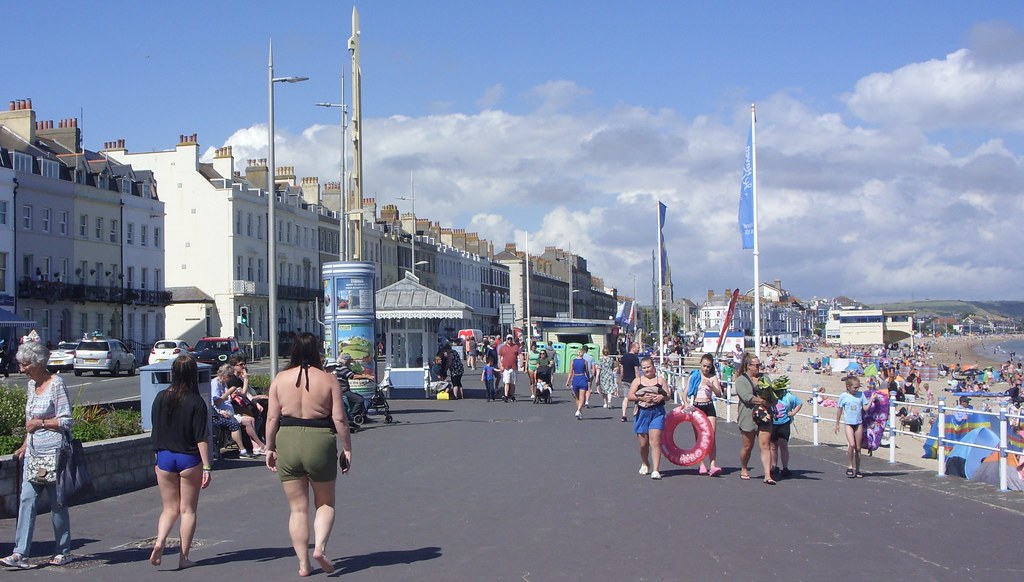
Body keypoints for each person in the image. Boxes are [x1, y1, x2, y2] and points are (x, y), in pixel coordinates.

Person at [264, 332, 352, 577]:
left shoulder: (280, 379)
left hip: (287, 439)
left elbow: (271, 418)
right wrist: (347, 448)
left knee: (297, 509)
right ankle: (320, 548)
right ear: (316, 352)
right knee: (325, 502)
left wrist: (269, 447)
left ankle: (303, 564)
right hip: (319, 439)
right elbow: (339, 419)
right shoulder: (328, 380)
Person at [2, 335, 74, 569]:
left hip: (54, 453)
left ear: (38, 363)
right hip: (34, 453)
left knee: (57, 504)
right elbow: (29, 423)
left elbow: (66, 421)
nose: (21, 369)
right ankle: (20, 553)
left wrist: (41, 423)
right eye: (21, 364)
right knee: (26, 501)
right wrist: (25, 445)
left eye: (25, 365)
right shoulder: (31, 386)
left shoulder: (56, 384)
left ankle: (63, 550)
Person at [149, 354, 212, 569]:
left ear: (173, 373)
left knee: (169, 508)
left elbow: (156, 429)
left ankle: (160, 541)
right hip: (188, 458)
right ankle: (183, 558)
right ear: (193, 374)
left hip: (164, 457)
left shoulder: (160, 397)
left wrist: (156, 457)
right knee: (188, 510)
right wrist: (206, 466)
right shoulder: (196, 401)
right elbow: (201, 437)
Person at [628, 357, 670, 480]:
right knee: (643, 444)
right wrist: (641, 398)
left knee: (655, 441)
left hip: (657, 412)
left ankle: (656, 470)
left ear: (653, 367)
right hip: (642, 412)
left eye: (648, 367)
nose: (647, 369)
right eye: (644, 368)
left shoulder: (660, 380)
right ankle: (645, 463)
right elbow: (630, 396)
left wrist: (661, 397)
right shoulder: (637, 381)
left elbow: (668, 395)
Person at [734, 352, 774, 484]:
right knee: (747, 446)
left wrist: (772, 399)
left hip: (765, 416)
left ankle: (767, 475)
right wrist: (762, 401)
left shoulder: (765, 378)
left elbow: (772, 393)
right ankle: (744, 468)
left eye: (759, 365)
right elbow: (746, 397)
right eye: (756, 365)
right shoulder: (741, 380)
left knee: (765, 445)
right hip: (748, 416)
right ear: (748, 366)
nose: (758, 367)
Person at [213, 364, 265, 456]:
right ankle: (253, 447)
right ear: (224, 375)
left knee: (251, 419)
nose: (230, 378)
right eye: (229, 376)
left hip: (230, 412)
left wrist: (232, 395)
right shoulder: (215, 383)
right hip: (222, 413)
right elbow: (217, 402)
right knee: (239, 424)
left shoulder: (224, 383)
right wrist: (229, 392)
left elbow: (228, 399)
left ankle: (256, 446)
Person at [689, 353, 724, 477]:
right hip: (697, 407)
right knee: (700, 437)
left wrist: (712, 386)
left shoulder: (712, 377)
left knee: (711, 436)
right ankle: (701, 464)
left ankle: (713, 464)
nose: (706, 369)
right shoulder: (695, 376)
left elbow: (719, 394)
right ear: (700, 364)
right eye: (704, 366)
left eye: (708, 366)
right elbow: (687, 392)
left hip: (709, 406)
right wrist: (687, 404)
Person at [834, 375, 874, 478]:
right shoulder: (843, 396)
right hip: (848, 424)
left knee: (858, 448)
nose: (856, 389)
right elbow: (839, 410)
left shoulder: (861, 395)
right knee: (851, 444)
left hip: (858, 423)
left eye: (858, 387)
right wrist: (837, 423)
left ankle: (858, 469)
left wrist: (871, 400)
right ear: (848, 387)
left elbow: (865, 408)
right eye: (855, 387)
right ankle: (850, 465)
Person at [769, 381, 802, 479]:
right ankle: (774, 466)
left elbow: (799, 403)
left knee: (783, 445)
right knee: (773, 446)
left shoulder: (788, 396)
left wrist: (793, 413)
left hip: (784, 423)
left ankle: (785, 467)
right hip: (772, 423)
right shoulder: (771, 396)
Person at [619, 342, 641, 422]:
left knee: (626, 397)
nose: (639, 350)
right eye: (638, 348)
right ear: (633, 347)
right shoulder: (635, 358)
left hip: (625, 379)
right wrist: (639, 381)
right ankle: (635, 413)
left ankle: (624, 414)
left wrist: (622, 377)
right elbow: (636, 371)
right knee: (637, 398)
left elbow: (622, 369)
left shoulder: (624, 357)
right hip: (633, 380)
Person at [566, 348, 591, 419]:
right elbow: (587, 371)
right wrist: (589, 378)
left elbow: (570, 372)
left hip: (575, 378)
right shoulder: (585, 361)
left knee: (577, 397)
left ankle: (579, 411)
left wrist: (568, 381)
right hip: (582, 378)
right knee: (582, 396)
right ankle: (579, 410)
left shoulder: (573, 361)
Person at [497, 334, 522, 402]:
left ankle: (512, 396)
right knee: (507, 382)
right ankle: (506, 396)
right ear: (506, 339)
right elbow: (499, 356)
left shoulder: (516, 347)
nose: (510, 340)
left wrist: (522, 362)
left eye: (511, 339)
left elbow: (520, 354)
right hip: (506, 368)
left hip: (514, 368)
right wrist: (500, 365)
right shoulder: (503, 348)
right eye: (508, 339)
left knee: (513, 383)